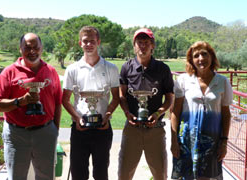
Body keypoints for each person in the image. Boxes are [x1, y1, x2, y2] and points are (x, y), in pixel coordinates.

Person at [0, 33, 62, 180]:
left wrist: (54, 129)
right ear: (20, 49)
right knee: (16, 177)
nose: (32, 51)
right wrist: (19, 102)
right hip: (17, 135)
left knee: (46, 177)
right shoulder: (9, 72)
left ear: (41, 48)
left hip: (45, 133)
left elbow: (57, 103)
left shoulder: (51, 71)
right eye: (27, 48)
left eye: (36, 47)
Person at [62, 26, 120, 180]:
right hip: (80, 129)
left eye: (92, 41)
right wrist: (76, 118)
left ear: (98, 42)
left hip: (103, 128)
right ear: (80, 43)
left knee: (101, 174)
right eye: (85, 41)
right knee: (79, 174)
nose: (89, 44)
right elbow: (65, 99)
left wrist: (107, 115)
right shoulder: (72, 69)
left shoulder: (111, 68)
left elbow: (116, 97)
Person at [170, 41, 233, 179]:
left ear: (211, 56)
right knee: (186, 175)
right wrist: (174, 141)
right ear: (191, 60)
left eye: (204, 54)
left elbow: (226, 115)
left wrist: (224, 142)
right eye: (196, 55)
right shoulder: (183, 80)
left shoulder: (222, 82)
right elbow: (175, 113)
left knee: (208, 175)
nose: (201, 59)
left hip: (212, 142)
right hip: (186, 141)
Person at [118, 28, 174, 180]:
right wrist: (127, 113)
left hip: (155, 130)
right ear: (134, 45)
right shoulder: (126, 67)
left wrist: (158, 113)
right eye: (139, 42)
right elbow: (122, 95)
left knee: (160, 174)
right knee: (124, 174)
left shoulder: (163, 69)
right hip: (132, 128)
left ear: (152, 45)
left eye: (146, 43)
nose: (143, 46)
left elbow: (169, 98)